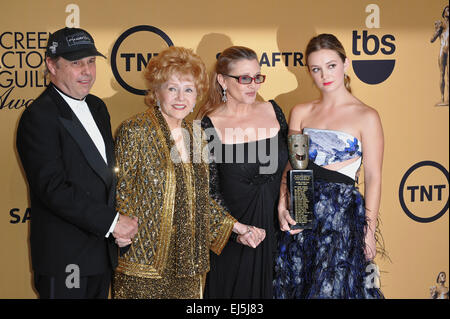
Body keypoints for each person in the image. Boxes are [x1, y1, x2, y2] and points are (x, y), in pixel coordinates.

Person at [111, 46, 265, 299]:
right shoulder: (135, 130)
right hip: (144, 262)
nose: (180, 97)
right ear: (156, 91)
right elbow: (121, 190)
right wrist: (121, 231)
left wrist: (238, 228)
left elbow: (199, 199)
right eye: (172, 88)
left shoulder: (197, 136)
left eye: (188, 89)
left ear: (197, 96)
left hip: (187, 264)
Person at [16, 27, 138, 299]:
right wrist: (113, 222)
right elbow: (54, 189)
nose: (87, 71)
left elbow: (107, 176)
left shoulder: (97, 107)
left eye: (91, 62)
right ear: (51, 65)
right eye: (76, 63)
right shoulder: (39, 117)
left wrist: (119, 228)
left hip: (101, 254)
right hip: (65, 259)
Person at [273, 33, 384, 299]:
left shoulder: (366, 116)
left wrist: (369, 232)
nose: (325, 75)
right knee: (294, 287)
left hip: (340, 218)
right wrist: (281, 203)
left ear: (345, 65)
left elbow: (374, 177)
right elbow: (293, 164)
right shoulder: (301, 111)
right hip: (301, 211)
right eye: (316, 69)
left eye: (331, 65)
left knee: (331, 290)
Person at [198, 46, 289, 298]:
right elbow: (204, 194)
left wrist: (289, 204)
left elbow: (293, 169)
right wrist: (234, 232)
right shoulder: (204, 126)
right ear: (222, 80)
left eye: (257, 77)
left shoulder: (275, 110)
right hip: (236, 243)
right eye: (244, 78)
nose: (253, 85)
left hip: (280, 237)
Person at [430, 5, 449, 106]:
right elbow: (432, 40)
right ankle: (442, 98)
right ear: (444, 13)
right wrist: (438, 30)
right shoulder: (440, 25)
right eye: (447, 10)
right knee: (441, 74)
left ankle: (448, 98)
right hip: (442, 49)